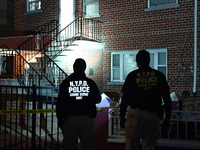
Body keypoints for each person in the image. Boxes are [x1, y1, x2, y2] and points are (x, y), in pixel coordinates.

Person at [120, 50, 172, 150]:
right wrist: (167, 118)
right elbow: (167, 99)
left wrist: (122, 116)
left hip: (135, 114)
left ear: (137, 61)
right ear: (149, 60)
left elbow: (125, 98)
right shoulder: (159, 75)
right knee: (149, 146)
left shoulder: (132, 76)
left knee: (131, 144)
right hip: (153, 115)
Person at [56, 58, 101, 150]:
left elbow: (60, 102)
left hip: (70, 119)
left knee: (69, 146)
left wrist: (59, 118)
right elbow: (98, 99)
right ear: (84, 68)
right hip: (87, 119)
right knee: (87, 145)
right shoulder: (90, 83)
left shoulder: (66, 83)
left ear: (74, 68)